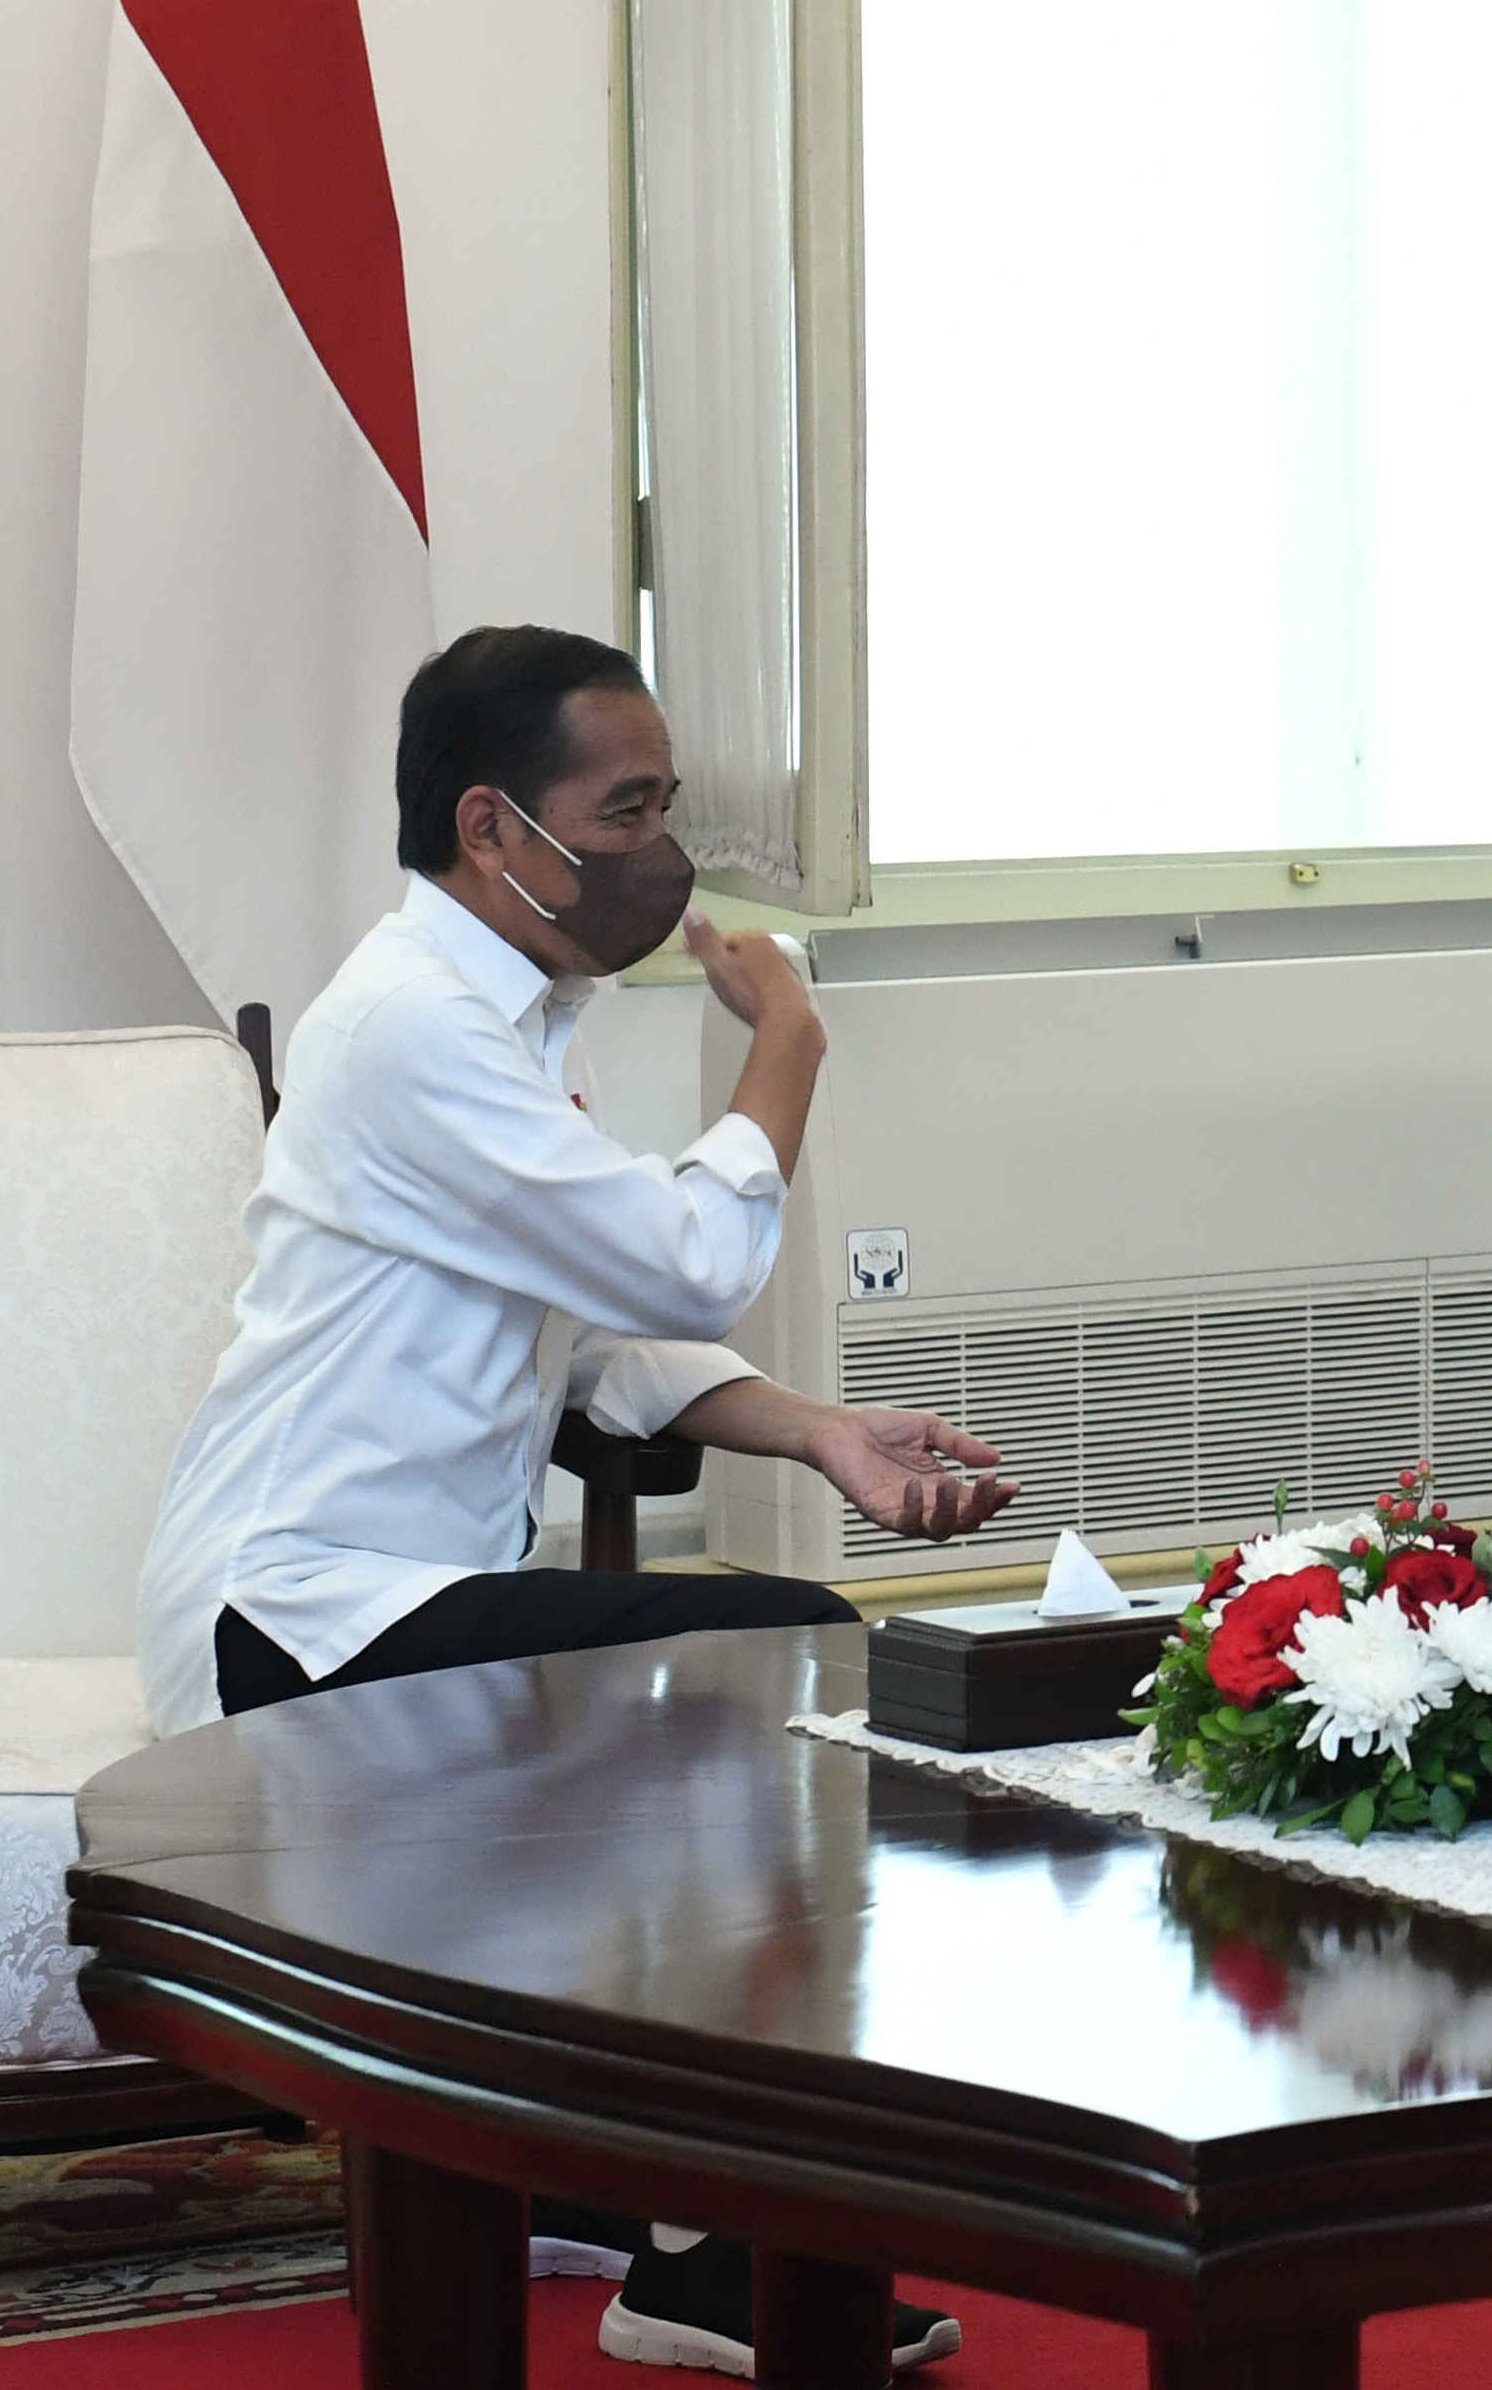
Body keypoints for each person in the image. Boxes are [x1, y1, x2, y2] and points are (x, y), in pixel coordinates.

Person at [138, 623, 1020, 2376]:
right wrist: (787, 1045)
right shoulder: (404, 1027)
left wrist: (823, 1432)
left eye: (666, 803)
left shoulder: (514, 1020)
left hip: (406, 1598)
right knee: (787, 1652)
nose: (660, 847)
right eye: (626, 808)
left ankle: (674, 2203)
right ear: (492, 827)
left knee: (759, 1679)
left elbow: (597, 1341)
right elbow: (687, 1257)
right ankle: (706, 2229)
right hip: (293, 1616)